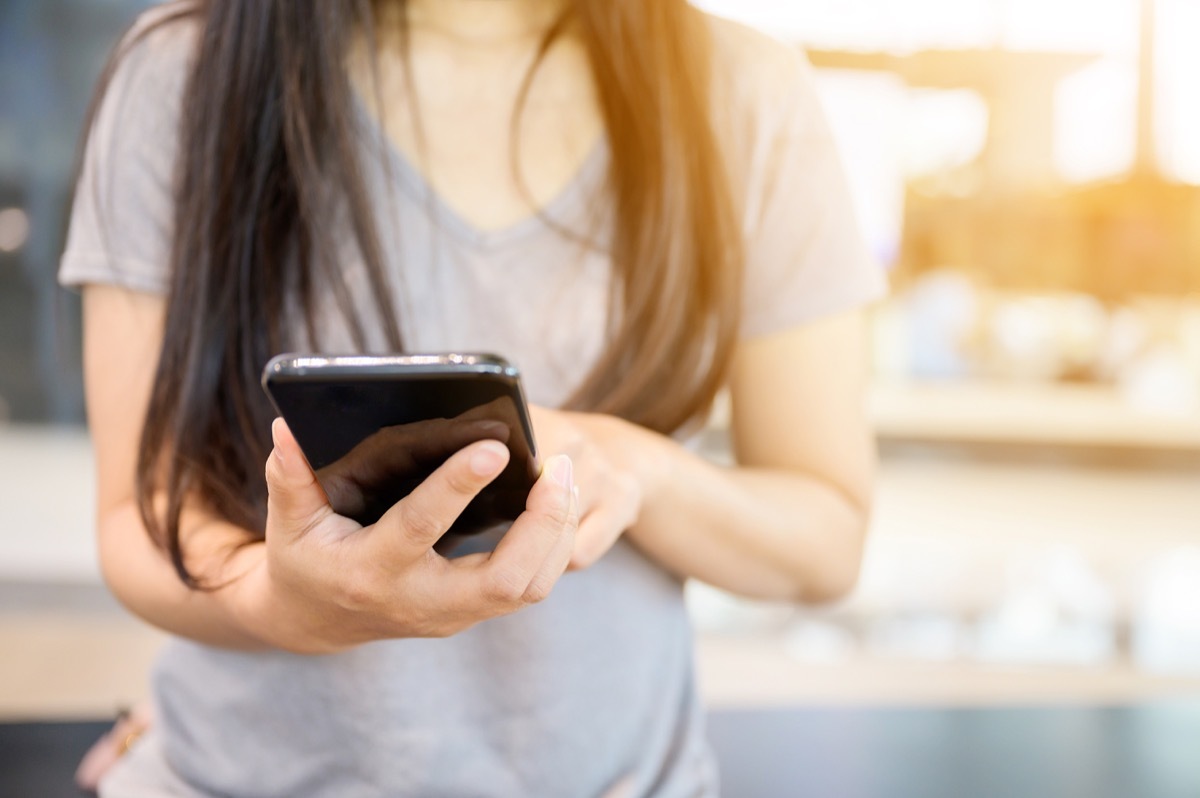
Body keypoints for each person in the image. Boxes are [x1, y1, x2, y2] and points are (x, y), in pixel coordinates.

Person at [61, 0, 886, 795]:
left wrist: (639, 468)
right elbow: (143, 511)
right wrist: (277, 601)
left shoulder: (748, 93)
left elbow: (825, 539)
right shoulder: (181, 68)